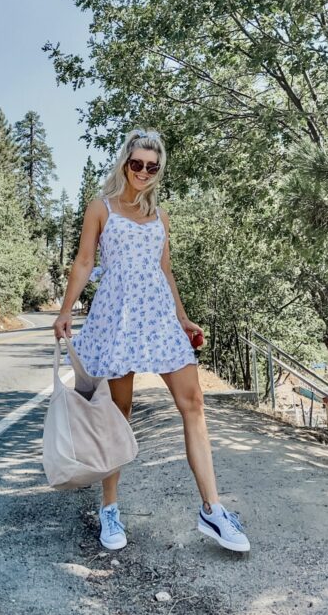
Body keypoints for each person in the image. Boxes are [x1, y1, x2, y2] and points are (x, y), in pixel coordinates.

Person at [53, 128, 250, 554]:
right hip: (117, 317)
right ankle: (110, 508)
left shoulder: (161, 217)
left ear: (159, 171)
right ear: (125, 162)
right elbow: (85, 261)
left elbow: (165, 270)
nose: (143, 171)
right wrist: (67, 309)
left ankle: (213, 510)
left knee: (193, 404)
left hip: (158, 317)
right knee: (118, 412)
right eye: (137, 163)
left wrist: (182, 318)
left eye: (152, 166)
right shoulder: (100, 208)